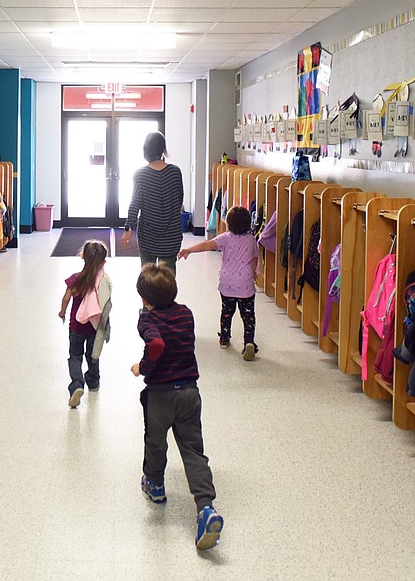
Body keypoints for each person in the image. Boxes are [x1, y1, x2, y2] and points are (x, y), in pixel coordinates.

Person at [130, 264, 224, 551]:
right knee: (193, 450)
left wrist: (142, 367)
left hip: (160, 395)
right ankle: (205, 507)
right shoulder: (186, 314)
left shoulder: (147, 320)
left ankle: (156, 486)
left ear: (144, 299)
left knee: (156, 443)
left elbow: (157, 344)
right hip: (189, 392)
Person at [178, 205, 260, 360]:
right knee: (248, 315)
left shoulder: (225, 238)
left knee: (227, 312)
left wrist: (189, 250)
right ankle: (249, 342)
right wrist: (255, 272)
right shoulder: (251, 240)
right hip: (246, 284)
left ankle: (224, 338)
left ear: (228, 224)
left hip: (227, 282)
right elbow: (255, 258)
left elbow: (207, 245)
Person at [121, 131, 184, 274]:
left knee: (147, 278)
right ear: (163, 149)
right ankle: (166, 297)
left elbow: (135, 202)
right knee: (167, 279)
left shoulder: (140, 174)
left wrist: (128, 228)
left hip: (147, 235)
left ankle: (148, 297)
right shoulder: (175, 172)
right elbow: (179, 200)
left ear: (146, 149)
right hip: (171, 235)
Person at [58, 240, 111, 408]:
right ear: (103, 262)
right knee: (92, 355)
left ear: (83, 257)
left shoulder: (76, 279)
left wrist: (62, 312)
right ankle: (93, 383)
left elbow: (66, 299)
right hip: (94, 327)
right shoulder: (102, 282)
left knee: (75, 357)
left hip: (76, 327)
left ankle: (77, 384)